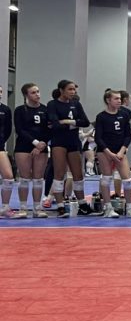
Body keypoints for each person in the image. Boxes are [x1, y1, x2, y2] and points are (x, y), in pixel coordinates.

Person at [45, 80, 91, 216]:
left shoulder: (76, 104)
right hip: (58, 141)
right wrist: (73, 124)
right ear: (61, 90)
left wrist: (67, 121)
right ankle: (60, 205)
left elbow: (86, 122)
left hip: (73, 141)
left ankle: (82, 203)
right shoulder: (52, 104)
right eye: (70, 89)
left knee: (78, 174)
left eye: (74, 90)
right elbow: (54, 123)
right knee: (59, 174)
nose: (73, 92)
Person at [93, 89, 131, 218]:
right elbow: (98, 138)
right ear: (108, 100)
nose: (119, 101)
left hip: (120, 152)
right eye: (116, 99)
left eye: (120, 98)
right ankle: (108, 208)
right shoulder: (101, 116)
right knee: (106, 178)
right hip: (105, 151)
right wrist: (109, 153)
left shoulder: (124, 115)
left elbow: (127, 135)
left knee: (127, 179)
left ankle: (129, 208)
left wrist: (122, 151)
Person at [12, 83, 51, 218]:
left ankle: (37, 208)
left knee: (38, 179)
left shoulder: (45, 110)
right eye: (33, 92)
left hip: (42, 148)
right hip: (24, 146)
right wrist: (34, 143)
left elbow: (49, 129)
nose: (37, 95)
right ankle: (23, 208)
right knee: (24, 178)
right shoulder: (20, 110)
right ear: (26, 95)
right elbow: (20, 129)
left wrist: (43, 144)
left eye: (38, 91)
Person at [0, 85, 13, 218]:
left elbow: (8, 129)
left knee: (8, 176)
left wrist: (2, 140)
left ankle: (5, 207)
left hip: (0, 146)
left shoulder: (5, 109)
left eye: (1, 92)